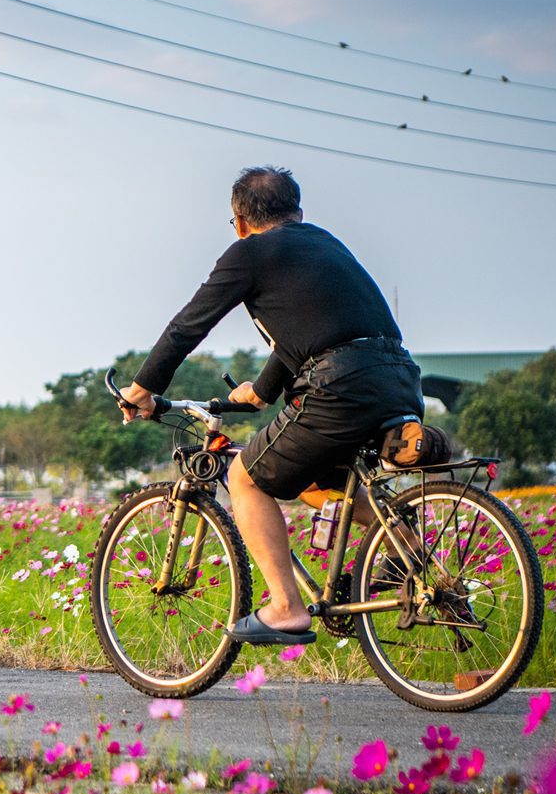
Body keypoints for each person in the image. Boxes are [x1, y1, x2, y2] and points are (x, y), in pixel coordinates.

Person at [117, 167, 422, 645]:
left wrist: (142, 388)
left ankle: (284, 607)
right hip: (399, 376)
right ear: (298, 213)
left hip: (337, 386)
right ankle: (405, 540)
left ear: (239, 222)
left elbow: (189, 326)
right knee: (312, 482)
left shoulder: (249, 253)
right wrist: (259, 391)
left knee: (245, 477)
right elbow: (314, 327)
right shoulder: (324, 243)